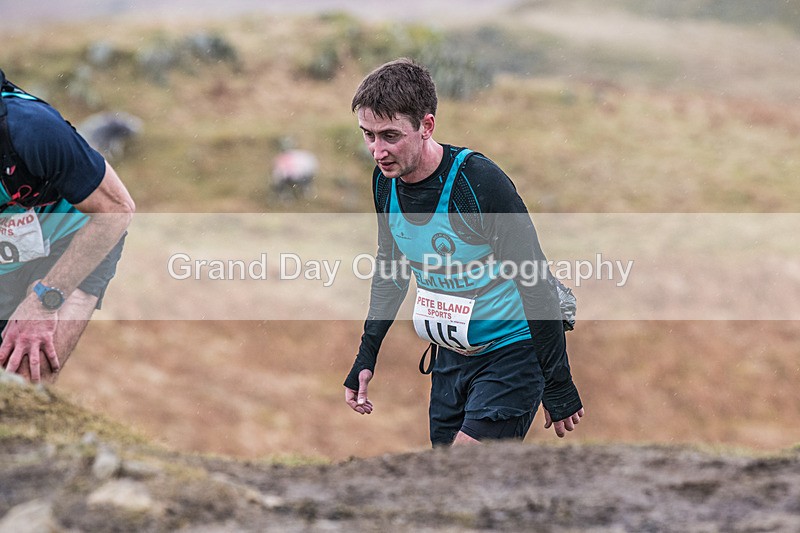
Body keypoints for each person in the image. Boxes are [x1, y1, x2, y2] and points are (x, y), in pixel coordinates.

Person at [343, 58, 584, 446]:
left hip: (512, 353)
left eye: (390, 135)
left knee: (464, 473)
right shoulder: (385, 182)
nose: (377, 150)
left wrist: (558, 383)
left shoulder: (477, 184)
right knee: (453, 490)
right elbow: (391, 269)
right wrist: (365, 357)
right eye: (367, 135)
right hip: (450, 359)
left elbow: (535, 281)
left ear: (426, 126)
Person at [0, 69, 135, 383]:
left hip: (72, 243)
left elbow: (116, 209)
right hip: (8, 258)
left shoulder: (33, 130)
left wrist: (44, 302)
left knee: (20, 381)